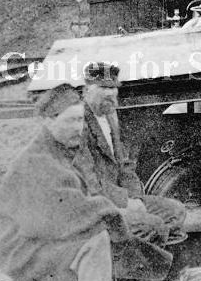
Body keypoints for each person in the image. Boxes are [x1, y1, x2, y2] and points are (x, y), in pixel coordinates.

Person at [0, 84, 128, 281]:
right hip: (19, 250)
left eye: (81, 120)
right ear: (48, 120)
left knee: (100, 234)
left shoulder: (55, 149)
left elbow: (73, 205)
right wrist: (111, 212)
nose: (79, 127)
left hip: (32, 239)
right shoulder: (38, 160)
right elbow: (63, 216)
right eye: (72, 120)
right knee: (95, 242)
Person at [75, 61, 187, 246]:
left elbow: (124, 166)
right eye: (103, 87)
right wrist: (126, 203)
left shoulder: (110, 117)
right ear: (86, 91)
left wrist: (135, 198)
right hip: (96, 204)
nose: (111, 93)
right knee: (155, 226)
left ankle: (142, 256)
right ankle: (124, 266)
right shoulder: (78, 123)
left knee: (176, 211)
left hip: (118, 198)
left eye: (114, 87)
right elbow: (88, 181)